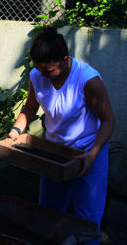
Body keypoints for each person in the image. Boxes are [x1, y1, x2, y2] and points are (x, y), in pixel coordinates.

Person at [8, 26, 115, 243]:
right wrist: (16, 129)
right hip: (54, 153)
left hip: (88, 153)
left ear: (65, 60)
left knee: (86, 220)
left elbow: (108, 121)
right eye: (39, 70)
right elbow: (30, 108)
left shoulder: (87, 79)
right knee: (48, 213)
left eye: (49, 71)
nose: (43, 76)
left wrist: (92, 154)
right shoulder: (37, 75)